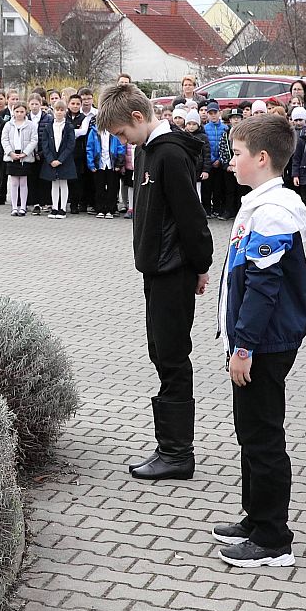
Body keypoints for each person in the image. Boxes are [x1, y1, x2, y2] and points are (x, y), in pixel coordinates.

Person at [212, 113, 306, 569]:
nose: (230, 161)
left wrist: (244, 346)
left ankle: (273, 538)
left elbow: (263, 287)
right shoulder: (259, 203)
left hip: (264, 343)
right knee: (250, 433)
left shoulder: (273, 212)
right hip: (255, 341)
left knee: (263, 437)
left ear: (262, 158)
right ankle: (255, 518)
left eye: (236, 154)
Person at [99, 83, 213, 481]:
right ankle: (168, 446)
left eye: (121, 133)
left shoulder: (169, 153)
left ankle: (178, 453)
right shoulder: (147, 150)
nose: (122, 141)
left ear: (137, 117)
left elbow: (191, 215)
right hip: (155, 268)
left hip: (174, 269)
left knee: (172, 355)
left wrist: (201, 264)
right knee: (159, 352)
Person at [38, 99, 77, 219]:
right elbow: (45, 144)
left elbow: (70, 145)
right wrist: (51, 160)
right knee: (54, 184)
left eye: (62, 110)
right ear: (53, 111)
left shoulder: (69, 126)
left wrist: (60, 160)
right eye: (57, 110)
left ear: (65, 111)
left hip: (64, 160)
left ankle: (63, 208)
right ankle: (54, 207)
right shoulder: (48, 126)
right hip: (52, 159)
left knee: (63, 183)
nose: (59, 112)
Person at [1, 102, 38, 217]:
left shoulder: (30, 125)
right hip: (12, 156)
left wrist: (25, 153)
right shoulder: (8, 125)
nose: (19, 114)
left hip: (24, 157)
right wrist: (10, 153)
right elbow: (4, 140)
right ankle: (14, 207)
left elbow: (34, 140)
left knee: (23, 182)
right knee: (14, 183)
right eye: (17, 111)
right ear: (13, 112)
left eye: (22, 111)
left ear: (26, 112)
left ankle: (23, 206)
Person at [25, 93, 48, 215]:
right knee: (31, 178)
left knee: (42, 178)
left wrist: (42, 153)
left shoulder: (47, 118)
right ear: (28, 105)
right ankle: (32, 202)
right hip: (29, 153)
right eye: (32, 104)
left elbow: (48, 137)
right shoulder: (26, 118)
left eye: (36, 104)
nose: (34, 106)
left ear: (41, 104)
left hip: (42, 153)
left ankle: (42, 202)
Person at [204, 103, 229, 218]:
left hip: (221, 162)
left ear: (220, 113)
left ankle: (217, 208)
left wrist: (219, 159)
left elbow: (225, 145)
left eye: (215, 113)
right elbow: (205, 146)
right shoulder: (205, 128)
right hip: (209, 162)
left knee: (218, 187)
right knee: (207, 187)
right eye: (211, 113)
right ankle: (207, 210)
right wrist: (212, 159)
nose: (213, 115)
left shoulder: (225, 128)